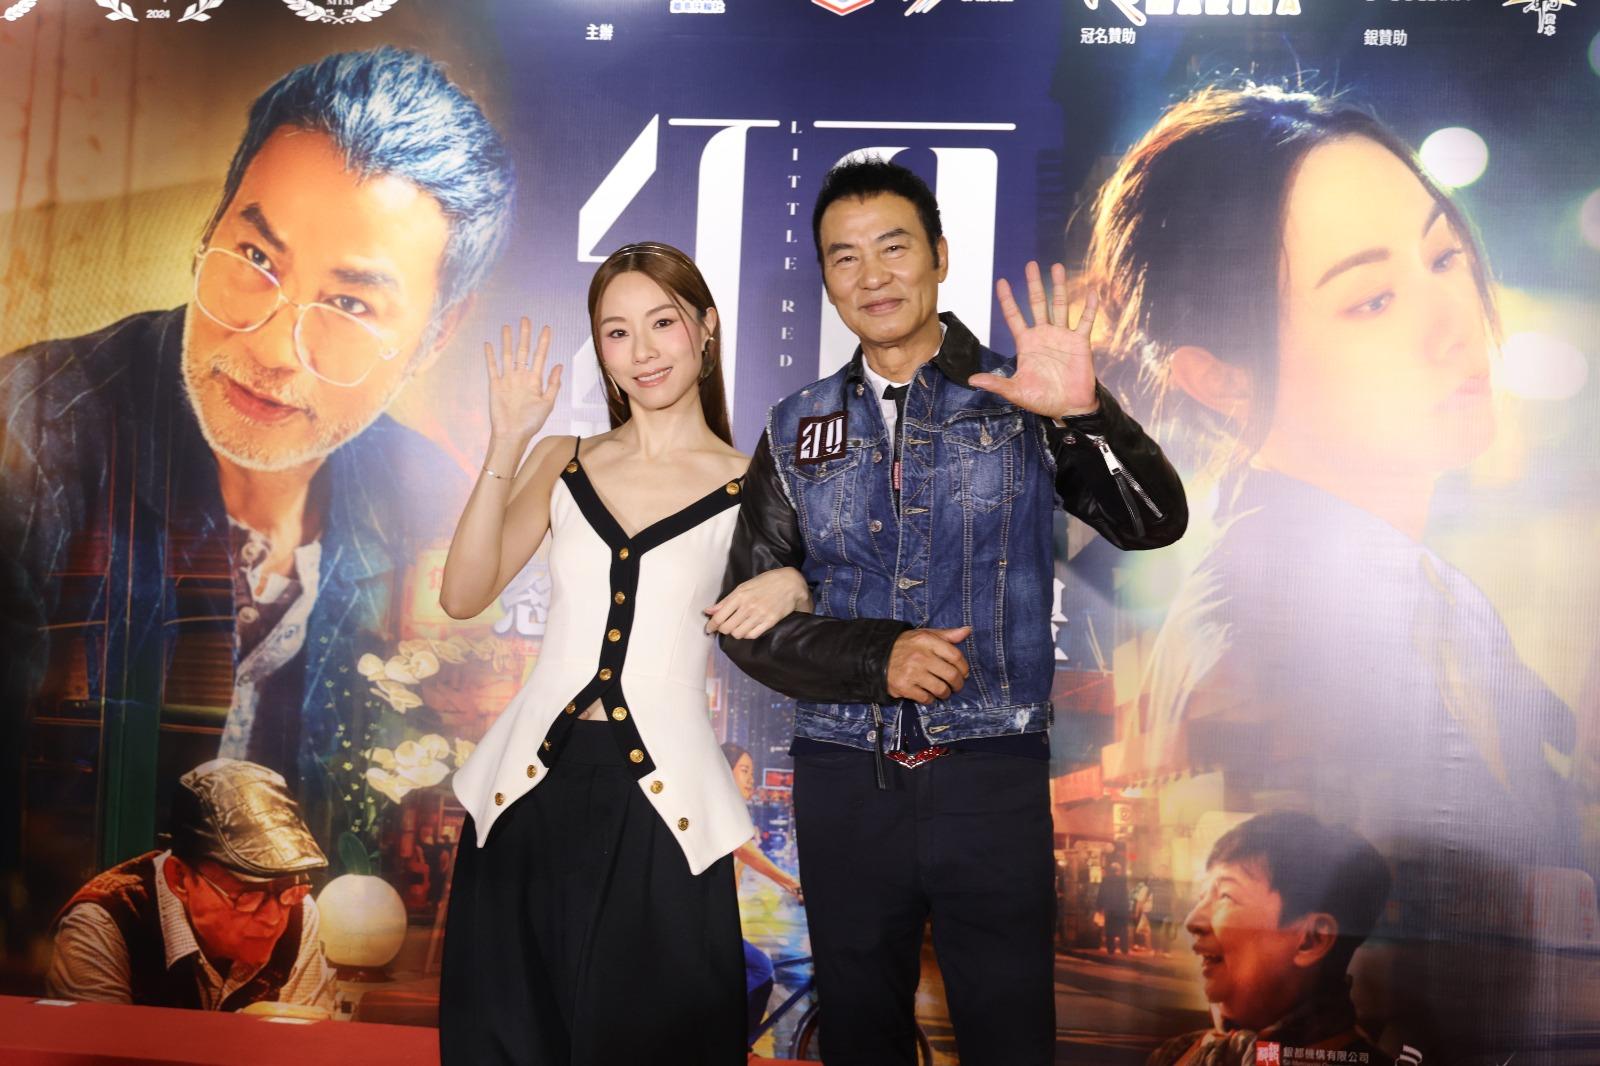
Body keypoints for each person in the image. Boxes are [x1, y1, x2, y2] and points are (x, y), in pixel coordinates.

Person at [1085, 85, 1584, 1052]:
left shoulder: (1436, 594)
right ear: (1218, 378)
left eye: (1443, 256)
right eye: (1372, 299)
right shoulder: (1262, 641)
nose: (1456, 324)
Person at [719, 158, 1187, 1066]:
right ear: (827, 280)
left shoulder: (1023, 396)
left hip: (991, 771)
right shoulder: (794, 426)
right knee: (860, 1036)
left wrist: (1087, 415)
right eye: (845, 257)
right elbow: (752, 624)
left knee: (1009, 1037)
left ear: (938, 256)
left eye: (893, 248)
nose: (872, 276)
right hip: (844, 777)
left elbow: (1153, 521)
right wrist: (879, 656)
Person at [0, 48, 515, 871]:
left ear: (438, 332)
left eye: (348, 303)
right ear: (212, 227)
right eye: (255, 259)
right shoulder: (30, 441)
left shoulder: (436, 512)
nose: (273, 347)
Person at [438, 242, 811, 1066]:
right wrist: (507, 442)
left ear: (704, 328)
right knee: (506, 1041)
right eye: (616, 332)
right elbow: (462, 595)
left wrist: (796, 584)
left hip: (662, 807)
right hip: (526, 793)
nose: (642, 351)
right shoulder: (562, 460)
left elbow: (820, 608)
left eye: (662, 323)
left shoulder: (757, 484)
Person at [46, 759, 336, 1013]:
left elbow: (302, 1045)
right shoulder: (106, 921)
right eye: (249, 895)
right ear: (180, 879)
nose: (274, 918)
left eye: (287, 889)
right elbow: (102, 1051)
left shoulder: (297, 910)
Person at [1146, 811, 1394, 1066]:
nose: (1193, 921)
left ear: (1311, 939)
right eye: (1202, 896)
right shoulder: (1177, 1054)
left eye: (1225, 896)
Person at [720, 741, 803, 1039]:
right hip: (705, 925)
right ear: (724, 771)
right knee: (760, 969)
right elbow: (745, 851)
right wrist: (792, 883)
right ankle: (731, 1039)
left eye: (751, 772)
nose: (750, 779)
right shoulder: (721, 811)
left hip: (719, 923)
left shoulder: (737, 814)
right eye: (744, 770)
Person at [1097, 861, 1132, 956]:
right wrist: (1128, 908)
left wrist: (1099, 907)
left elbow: (1101, 894)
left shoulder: (1105, 880)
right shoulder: (1123, 881)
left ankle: (1111, 949)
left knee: (1110, 930)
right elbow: (1126, 895)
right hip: (1121, 909)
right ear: (1119, 870)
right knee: (1123, 929)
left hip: (1109, 909)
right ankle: (1124, 949)